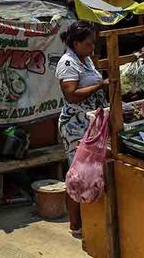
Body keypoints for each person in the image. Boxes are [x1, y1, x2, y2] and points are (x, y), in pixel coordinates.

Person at [56, 21, 109, 238]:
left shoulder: (85, 60)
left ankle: (91, 220)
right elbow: (71, 94)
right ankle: (75, 225)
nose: (92, 49)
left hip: (91, 123)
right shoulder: (67, 63)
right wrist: (101, 85)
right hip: (75, 126)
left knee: (92, 175)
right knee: (77, 176)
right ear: (76, 43)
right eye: (88, 44)